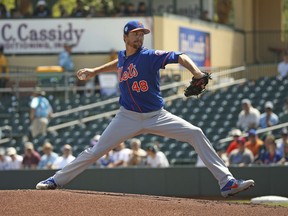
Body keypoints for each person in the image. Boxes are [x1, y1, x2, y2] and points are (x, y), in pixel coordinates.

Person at [36, 20, 255, 198]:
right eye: (135, 34)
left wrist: (197, 74)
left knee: (195, 133)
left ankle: (227, 182)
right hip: (127, 117)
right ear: (126, 37)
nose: (139, 37)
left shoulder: (150, 56)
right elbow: (118, 63)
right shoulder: (122, 56)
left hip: (156, 116)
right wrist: (94, 71)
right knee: (95, 151)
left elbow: (180, 56)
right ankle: (55, 180)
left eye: (142, 34)